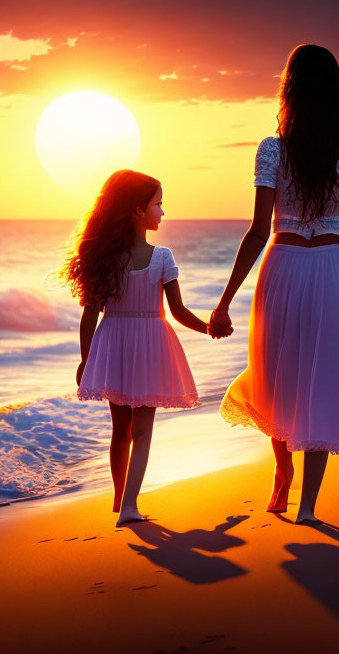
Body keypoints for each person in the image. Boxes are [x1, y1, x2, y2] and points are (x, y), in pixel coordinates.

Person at [209, 44, 339, 526]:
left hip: (281, 269)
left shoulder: (272, 150)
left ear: (291, 90)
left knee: (277, 375)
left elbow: (258, 232)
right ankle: (307, 506)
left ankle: (283, 469)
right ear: (338, 94)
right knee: (320, 382)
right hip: (331, 271)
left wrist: (224, 302)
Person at [60, 169, 216, 526]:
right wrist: (86, 360)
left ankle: (122, 500)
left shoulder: (125, 258)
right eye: (158, 204)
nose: (163, 212)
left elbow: (91, 317)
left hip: (118, 342)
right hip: (142, 344)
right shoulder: (155, 257)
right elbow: (174, 312)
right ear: (136, 211)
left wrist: (88, 358)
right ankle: (127, 504)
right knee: (136, 429)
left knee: (124, 429)